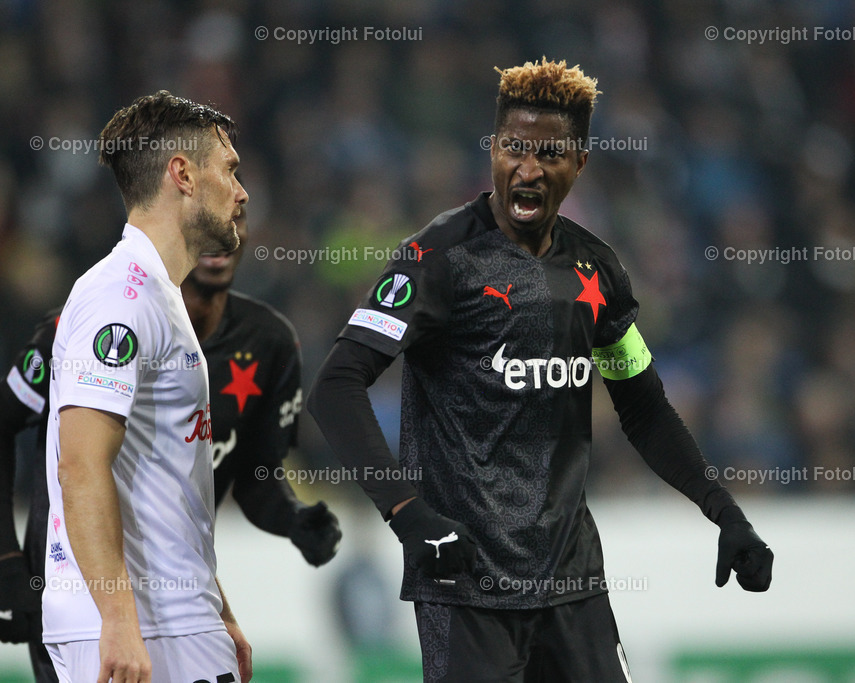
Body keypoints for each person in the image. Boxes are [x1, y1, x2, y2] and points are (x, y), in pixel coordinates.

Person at [307, 58, 774, 682]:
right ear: (493, 149)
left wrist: (723, 510)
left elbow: (642, 406)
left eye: (548, 153)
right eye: (513, 148)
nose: (526, 168)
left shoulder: (596, 270)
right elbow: (336, 387)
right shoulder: (437, 258)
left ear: (579, 163)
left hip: (573, 586)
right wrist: (407, 515)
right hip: (466, 585)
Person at [0, 201, 342, 681]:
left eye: (241, 219)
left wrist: (293, 518)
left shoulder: (270, 343)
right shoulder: (96, 320)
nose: (231, 226)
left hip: (181, 596)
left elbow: (253, 477)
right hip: (84, 595)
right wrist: (8, 557)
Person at [42, 90, 251, 683]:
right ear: (182, 174)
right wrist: (117, 619)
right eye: (230, 170)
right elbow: (80, 465)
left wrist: (217, 607)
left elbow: (166, 478)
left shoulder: (158, 295)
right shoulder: (119, 296)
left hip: (176, 618)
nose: (241, 194)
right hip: (145, 628)